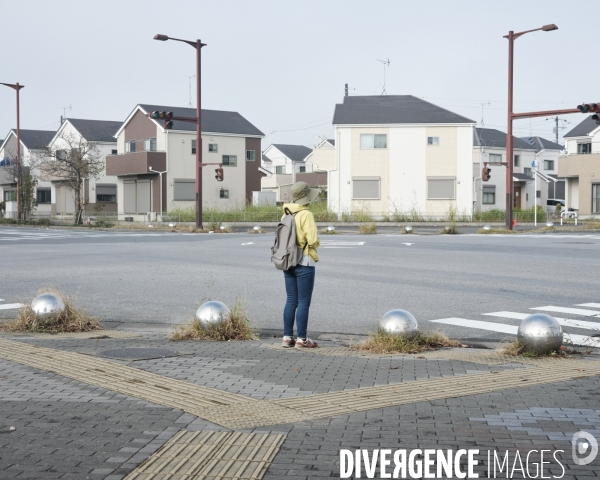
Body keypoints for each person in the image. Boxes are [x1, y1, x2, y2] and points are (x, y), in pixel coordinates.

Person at [281, 181, 320, 349]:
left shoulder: (286, 214)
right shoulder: (306, 214)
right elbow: (312, 240)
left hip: (287, 261)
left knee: (291, 300)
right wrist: (315, 245)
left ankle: (287, 337)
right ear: (306, 198)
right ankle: (301, 339)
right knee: (304, 302)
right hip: (304, 261)